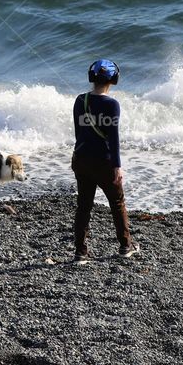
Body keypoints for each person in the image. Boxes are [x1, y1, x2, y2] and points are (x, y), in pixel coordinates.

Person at [71, 59, 139, 263]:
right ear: (114, 79)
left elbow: (78, 133)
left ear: (92, 77)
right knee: (117, 203)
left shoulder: (79, 100)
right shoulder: (112, 104)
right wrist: (117, 166)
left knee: (83, 205)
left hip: (81, 159)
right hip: (104, 162)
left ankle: (80, 252)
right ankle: (125, 246)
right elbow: (113, 137)